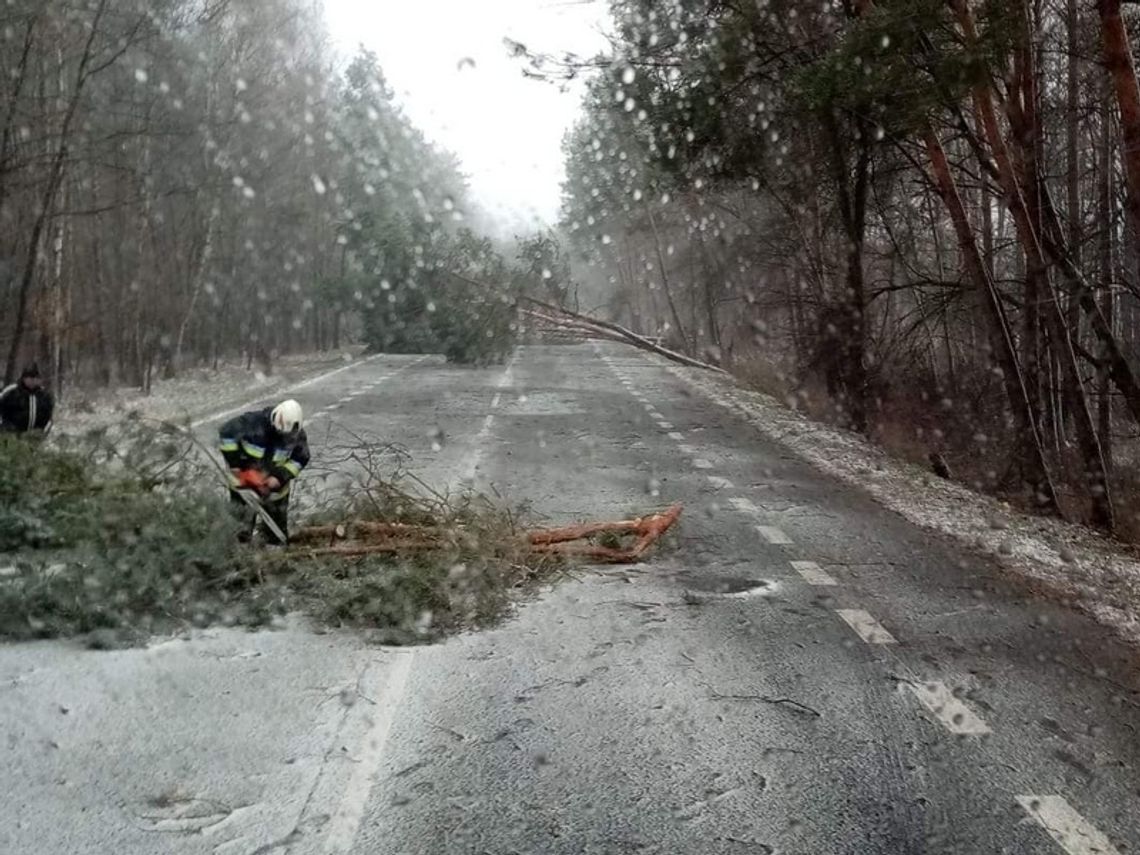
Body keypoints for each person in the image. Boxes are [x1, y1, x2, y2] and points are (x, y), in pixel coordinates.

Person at [217, 399, 310, 545]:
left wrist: (279, 477)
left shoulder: (296, 435)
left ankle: (273, 559)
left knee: (276, 536)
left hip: (276, 494)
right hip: (243, 490)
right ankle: (239, 560)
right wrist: (237, 465)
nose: (284, 438)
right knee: (240, 532)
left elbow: (301, 458)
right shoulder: (252, 423)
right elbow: (225, 434)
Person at [0, 364, 54, 436]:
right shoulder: (11, 392)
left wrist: (43, 432)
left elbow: (49, 418)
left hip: (35, 438)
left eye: (35, 378)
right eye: (30, 378)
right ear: (24, 378)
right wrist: (6, 429)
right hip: (10, 436)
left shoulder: (44, 396)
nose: (33, 381)